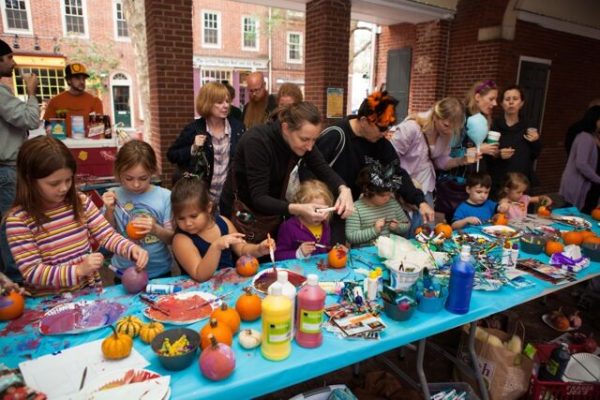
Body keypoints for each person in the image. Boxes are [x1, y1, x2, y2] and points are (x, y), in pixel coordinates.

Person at [5, 136, 148, 296]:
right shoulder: (19, 221)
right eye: (54, 183)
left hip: (88, 292)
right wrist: (79, 270)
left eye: (68, 180)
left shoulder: (79, 201)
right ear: (29, 180)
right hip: (49, 302)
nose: (64, 188)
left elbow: (106, 235)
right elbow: (32, 272)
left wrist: (131, 249)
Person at [304, 91, 434, 242]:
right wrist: (315, 204)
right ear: (365, 120)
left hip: (348, 210)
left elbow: (396, 173)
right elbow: (307, 170)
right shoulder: (336, 135)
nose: (385, 133)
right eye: (381, 128)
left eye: (389, 127)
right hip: (324, 210)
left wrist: (420, 201)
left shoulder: (380, 144)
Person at [220, 102, 354, 241]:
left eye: (314, 140)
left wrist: (343, 189)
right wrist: (299, 209)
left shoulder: (301, 141)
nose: (310, 147)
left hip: (269, 214)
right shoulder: (257, 141)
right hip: (240, 213)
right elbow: (259, 198)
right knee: (244, 260)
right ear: (285, 128)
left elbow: (322, 168)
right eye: (305, 139)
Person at [171, 174, 272, 282]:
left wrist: (259, 249)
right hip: (200, 293)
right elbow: (199, 275)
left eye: (193, 216)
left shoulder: (223, 223)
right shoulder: (181, 239)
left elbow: (242, 250)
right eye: (181, 218)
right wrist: (216, 247)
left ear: (208, 207)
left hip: (229, 286)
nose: (188, 223)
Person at [102, 140, 174, 279]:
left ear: (152, 171)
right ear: (119, 172)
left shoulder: (165, 196)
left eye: (143, 178)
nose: (136, 184)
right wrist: (109, 210)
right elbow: (106, 236)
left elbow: (172, 239)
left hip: (160, 271)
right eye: (129, 178)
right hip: (124, 271)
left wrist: (155, 229)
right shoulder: (113, 196)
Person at [0, 39, 39, 283]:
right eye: (8, 58)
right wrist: (31, 91)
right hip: (7, 168)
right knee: (10, 226)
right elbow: (30, 119)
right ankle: (16, 281)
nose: (12, 62)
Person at [390, 97, 472, 207]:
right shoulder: (411, 128)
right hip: (403, 186)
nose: (449, 131)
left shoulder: (446, 134)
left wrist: (461, 160)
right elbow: (389, 159)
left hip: (426, 186)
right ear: (435, 115)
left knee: (427, 223)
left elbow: (440, 161)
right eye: (446, 125)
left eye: (453, 128)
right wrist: (404, 186)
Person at [167, 82, 244, 195]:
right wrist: (193, 148)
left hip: (229, 197)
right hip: (201, 196)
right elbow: (172, 155)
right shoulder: (194, 128)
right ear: (207, 103)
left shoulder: (238, 128)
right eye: (219, 102)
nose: (226, 105)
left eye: (227, 101)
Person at [488, 86, 542, 195]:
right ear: (502, 104)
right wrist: (498, 154)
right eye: (507, 99)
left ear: (521, 103)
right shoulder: (493, 125)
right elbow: (487, 155)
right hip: (499, 182)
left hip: (521, 183)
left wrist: (536, 140)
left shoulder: (529, 125)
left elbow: (535, 154)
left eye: (515, 99)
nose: (511, 102)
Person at [345, 161, 410, 246]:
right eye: (383, 195)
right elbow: (351, 236)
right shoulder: (355, 208)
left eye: (389, 194)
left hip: (391, 250)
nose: (388, 198)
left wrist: (397, 227)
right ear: (368, 191)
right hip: (365, 253)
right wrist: (374, 230)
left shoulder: (392, 204)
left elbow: (406, 224)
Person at [275, 180, 333, 261]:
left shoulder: (325, 225)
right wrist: (299, 253)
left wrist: (335, 250)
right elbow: (278, 255)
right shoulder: (288, 227)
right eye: (315, 210)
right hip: (298, 271)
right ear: (301, 208)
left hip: (320, 270)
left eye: (324, 210)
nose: (320, 215)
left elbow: (325, 249)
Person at [43, 62, 103, 138]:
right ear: (68, 80)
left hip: (88, 144)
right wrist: (49, 128)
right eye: (78, 78)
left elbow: (99, 127)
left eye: (83, 79)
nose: (82, 82)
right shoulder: (55, 101)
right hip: (63, 145)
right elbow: (48, 123)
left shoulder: (95, 101)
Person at [559, 106, 600, 213]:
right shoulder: (585, 137)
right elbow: (582, 163)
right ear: (595, 119)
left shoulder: (594, 136)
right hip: (578, 186)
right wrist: (598, 179)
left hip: (589, 187)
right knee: (571, 215)